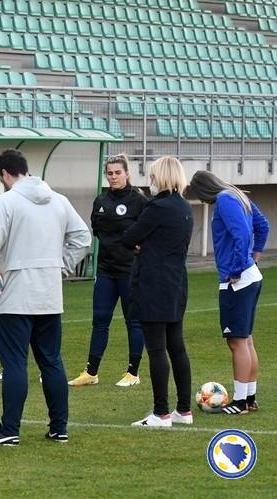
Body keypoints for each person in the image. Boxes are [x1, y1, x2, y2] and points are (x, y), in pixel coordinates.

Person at [0, 149, 91, 446]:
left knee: (15, 364)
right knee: (52, 361)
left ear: (5, 175)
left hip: (15, 296)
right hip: (49, 295)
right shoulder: (59, 200)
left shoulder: (6, 202)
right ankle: (59, 427)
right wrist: (61, 265)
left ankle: (9, 431)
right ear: (26, 169)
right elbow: (83, 238)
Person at [186, 170, 269, 414]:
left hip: (238, 280)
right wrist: (255, 256)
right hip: (249, 276)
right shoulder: (236, 195)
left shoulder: (224, 200)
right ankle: (250, 397)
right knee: (246, 340)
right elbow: (262, 225)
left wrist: (237, 267)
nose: (202, 201)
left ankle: (240, 402)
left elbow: (242, 234)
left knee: (237, 342)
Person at [122, 156, 194, 428]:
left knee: (156, 348)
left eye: (152, 176)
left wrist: (142, 245)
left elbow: (130, 237)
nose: (149, 182)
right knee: (177, 346)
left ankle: (161, 412)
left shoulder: (158, 207)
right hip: (176, 282)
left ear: (160, 177)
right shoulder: (184, 206)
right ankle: (184, 410)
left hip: (154, 283)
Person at [70, 154, 148, 388]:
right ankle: (91, 372)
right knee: (99, 322)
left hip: (130, 272)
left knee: (133, 322)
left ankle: (133, 373)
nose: (113, 177)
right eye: (110, 173)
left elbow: (147, 233)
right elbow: (98, 230)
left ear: (127, 173)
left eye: (118, 172)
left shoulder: (139, 201)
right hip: (105, 270)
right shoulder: (101, 200)